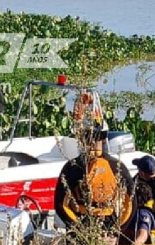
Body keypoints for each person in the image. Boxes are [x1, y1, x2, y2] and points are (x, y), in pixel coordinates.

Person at [54, 103, 134, 245]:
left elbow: (61, 204)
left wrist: (77, 228)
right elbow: (131, 205)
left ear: (82, 137)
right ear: (104, 138)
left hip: (83, 229)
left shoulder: (72, 167)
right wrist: (116, 232)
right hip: (105, 229)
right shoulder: (117, 167)